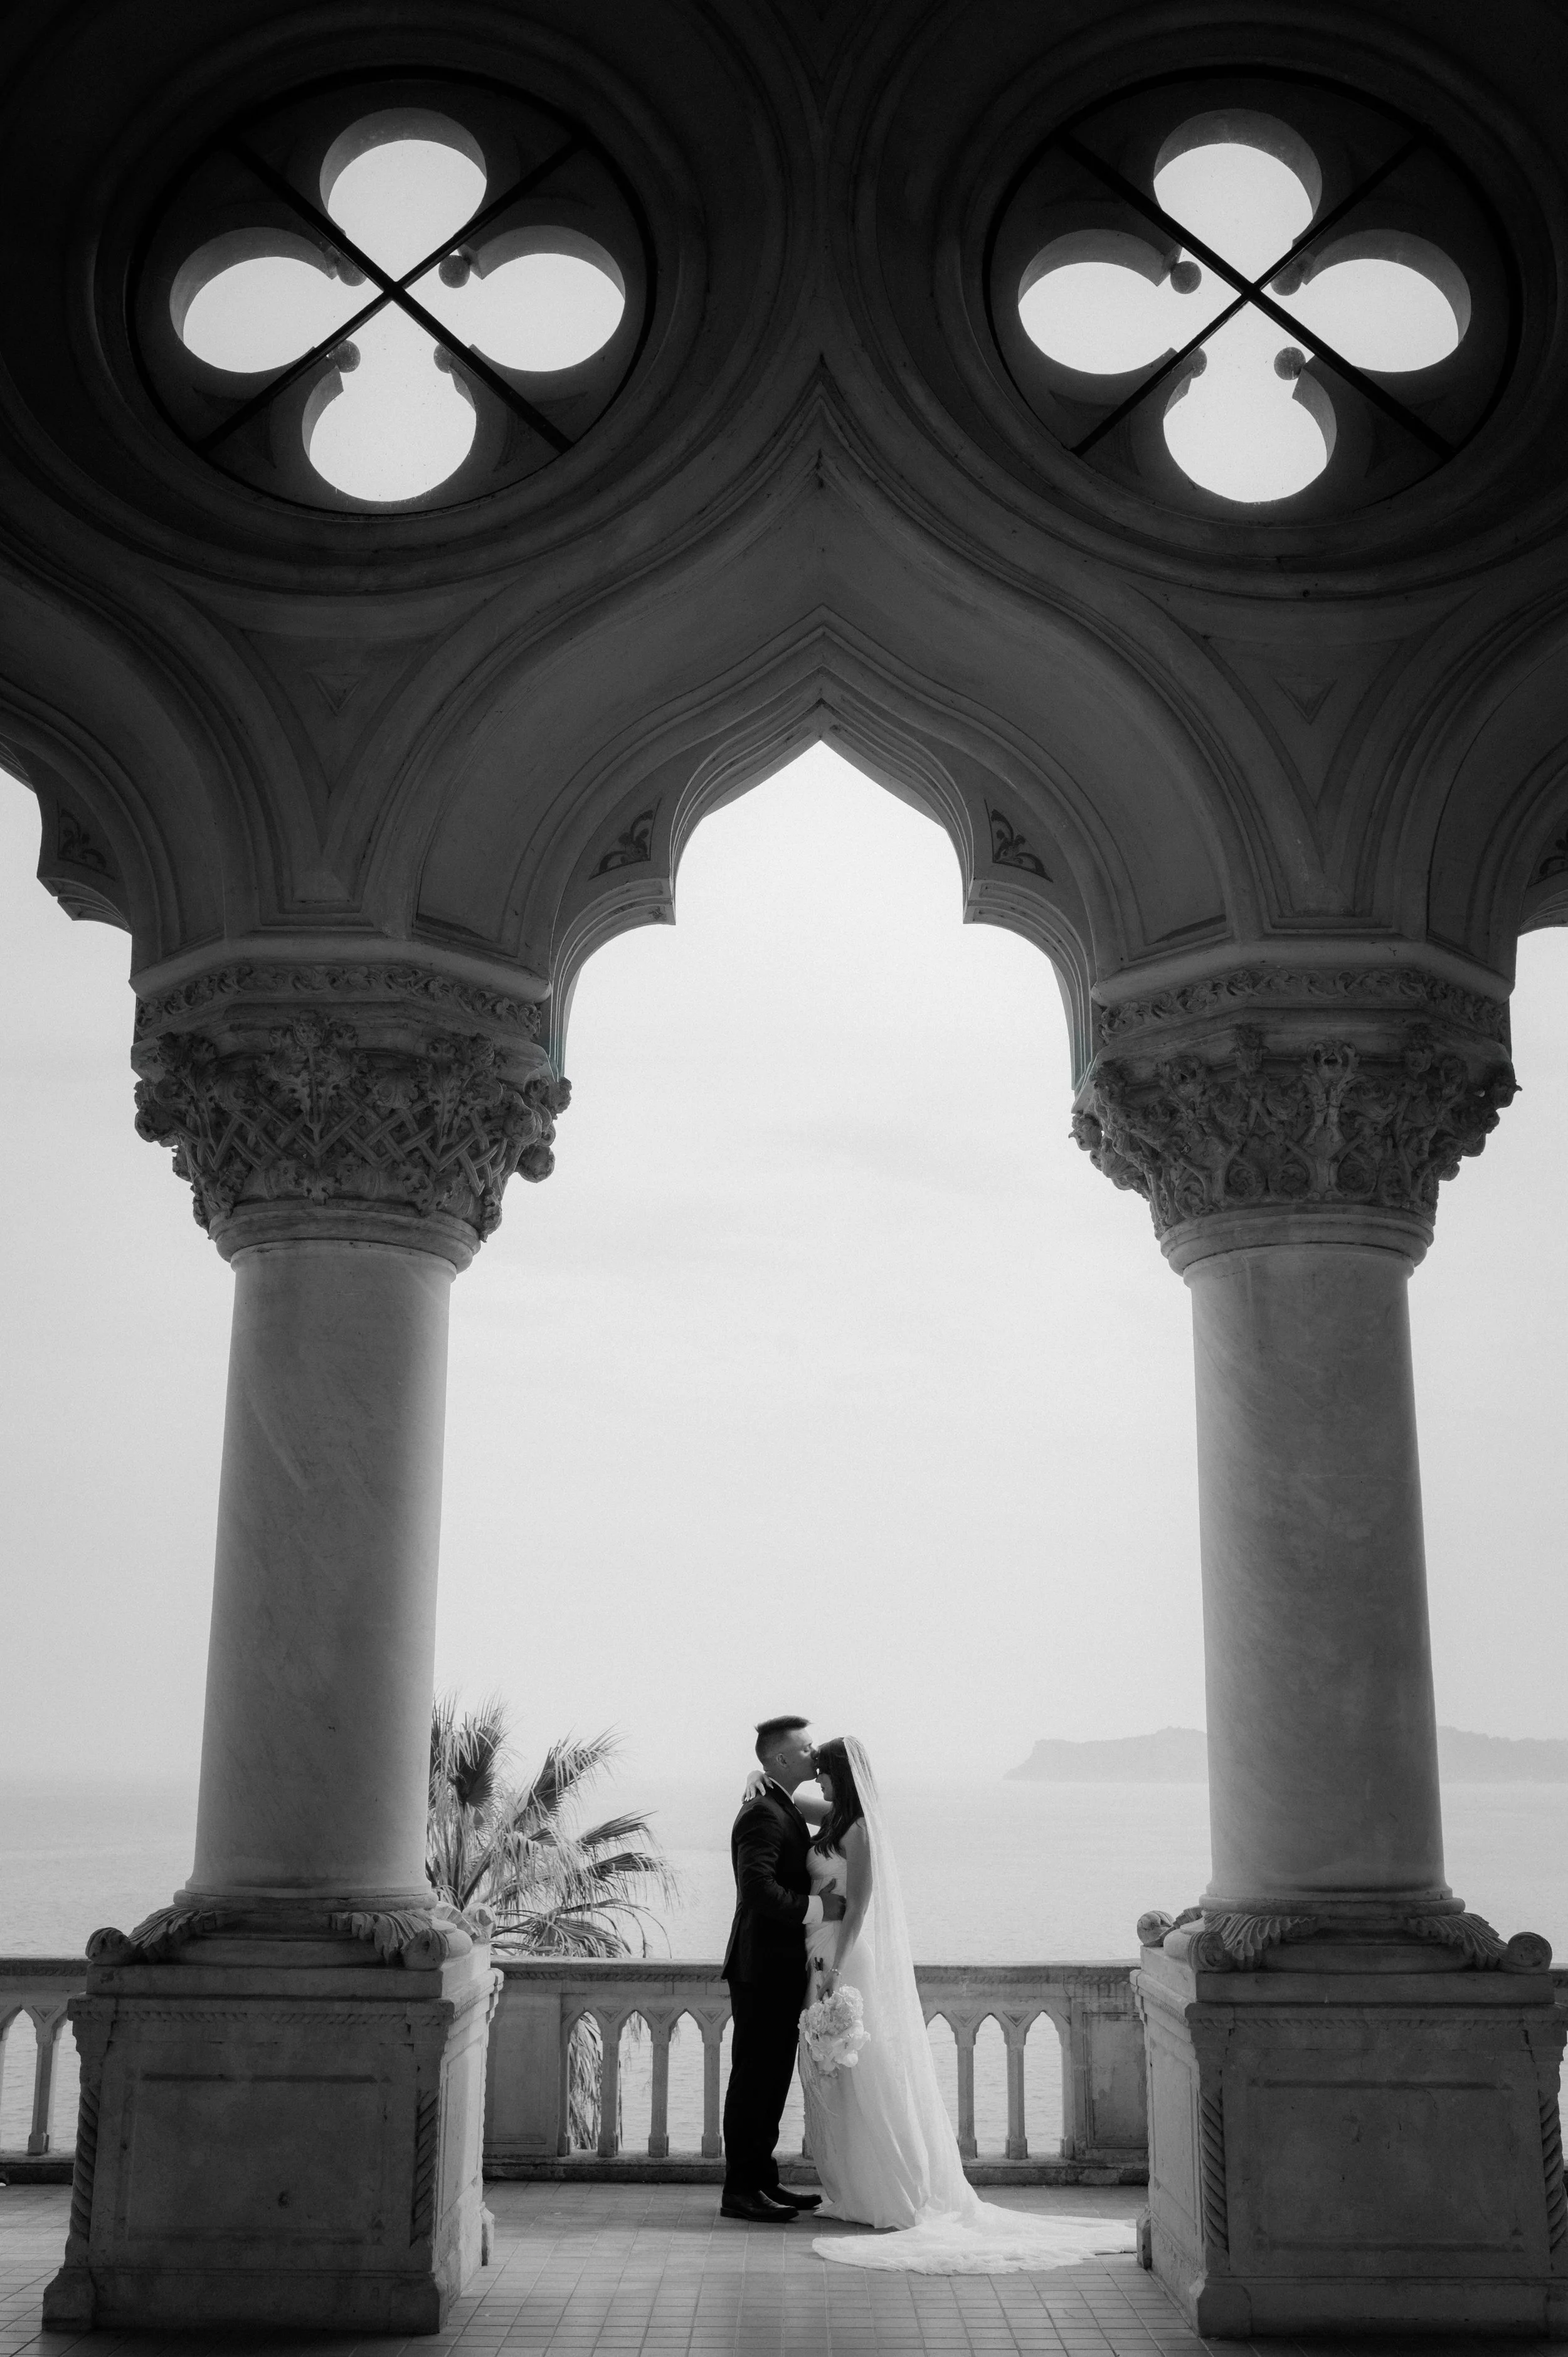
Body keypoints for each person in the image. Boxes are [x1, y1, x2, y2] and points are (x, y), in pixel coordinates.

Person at [788, 1736, 1136, 2273]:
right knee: (837, 2075)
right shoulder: (835, 1818)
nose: (817, 1781)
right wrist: (764, 1778)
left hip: (845, 1956)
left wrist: (836, 1969)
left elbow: (857, 1908)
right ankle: (855, 2189)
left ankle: (894, 2191)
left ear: (842, 1776)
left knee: (869, 2073)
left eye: (823, 1773)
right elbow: (789, 1799)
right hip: (819, 1954)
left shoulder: (858, 1829)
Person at [719, 1714, 846, 2223]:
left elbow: (849, 1809)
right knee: (755, 2081)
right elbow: (757, 1888)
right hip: (761, 1968)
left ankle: (762, 2181)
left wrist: (757, 1778)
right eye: (808, 1746)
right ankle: (740, 2191)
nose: (815, 1754)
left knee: (770, 2081)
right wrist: (821, 1909)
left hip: (777, 1967)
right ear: (782, 1758)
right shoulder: (763, 1814)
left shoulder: (780, 1801)